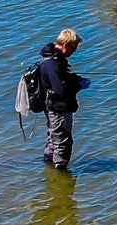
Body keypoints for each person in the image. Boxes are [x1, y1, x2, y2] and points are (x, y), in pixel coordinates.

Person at [37, 28, 90, 171]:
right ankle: (61, 176)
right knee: (62, 143)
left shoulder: (54, 60)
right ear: (66, 46)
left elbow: (62, 79)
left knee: (53, 140)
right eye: (74, 48)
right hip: (58, 109)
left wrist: (75, 79)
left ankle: (49, 171)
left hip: (53, 108)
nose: (75, 51)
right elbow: (60, 90)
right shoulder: (52, 64)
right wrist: (79, 85)